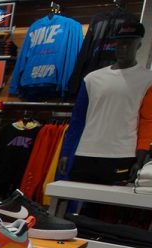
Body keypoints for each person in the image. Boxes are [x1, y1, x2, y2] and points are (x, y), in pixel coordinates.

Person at [59, 21, 152, 185]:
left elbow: (148, 122)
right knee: (75, 198)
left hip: (122, 155)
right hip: (85, 152)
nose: (123, 48)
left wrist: (140, 158)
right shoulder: (92, 79)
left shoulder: (147, 80)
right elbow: (77, 120)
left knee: (109, 201)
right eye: (120, 43)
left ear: (139, 45)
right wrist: (66, 152)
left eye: (129, 43)